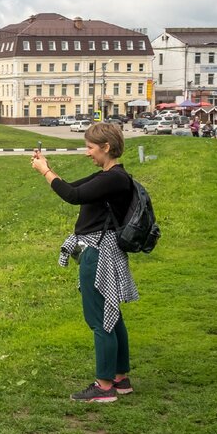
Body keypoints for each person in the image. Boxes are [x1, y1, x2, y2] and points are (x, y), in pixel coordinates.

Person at [30, 122, 139, 403]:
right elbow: (72, 188)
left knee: (99, 319)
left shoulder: (114, 179)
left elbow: (73, 196)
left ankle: (104, 387)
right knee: (112, 316)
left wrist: (45, 171)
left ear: (106, 147)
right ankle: (120, 378)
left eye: (90, 147)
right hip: (105, 250)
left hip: (99, 253)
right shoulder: (110, 176)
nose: (87, 152)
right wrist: (48, 168)